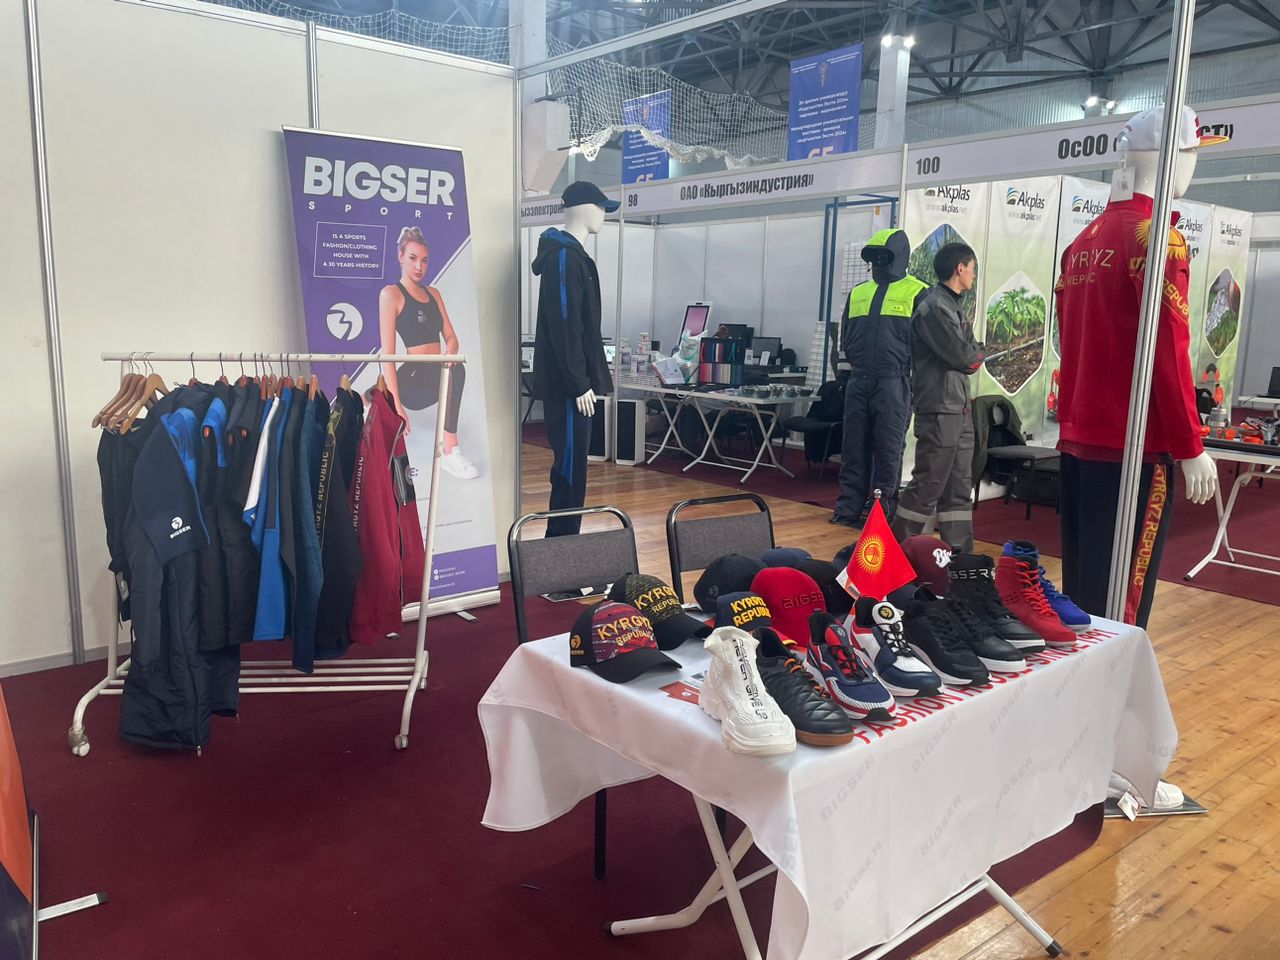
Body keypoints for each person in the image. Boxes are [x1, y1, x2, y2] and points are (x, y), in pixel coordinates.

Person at [830, 229, 930, 527]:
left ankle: (881, 514)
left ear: (899, 256)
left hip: (895, 381)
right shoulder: (858, 292)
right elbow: (846, 336)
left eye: (884, 255)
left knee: (888, 449)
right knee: (853, 448)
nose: (878, 261)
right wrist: (846, 374)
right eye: (874, 256)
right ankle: (847, 509)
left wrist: (917, 385)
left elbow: (926, 345)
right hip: (858, 379)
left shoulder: (918, 292)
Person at [891, 243, 985, 553]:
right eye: (972, 269)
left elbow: (968, 353)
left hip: (959, 408)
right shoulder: (933, 307)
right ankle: (894, 554)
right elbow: (965, 357)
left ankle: (960, 558)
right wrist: (978, 352)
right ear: (960, 268)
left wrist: (974, 352)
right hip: (939, 409)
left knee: (958, 486)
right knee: (929, 483)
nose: (973, 275)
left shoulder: (953, 306)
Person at [378, 226, 477, 479]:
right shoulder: (391, 294)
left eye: (424, 260)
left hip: (436, 372)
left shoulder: (434, 294)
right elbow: (387, 356)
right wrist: (397, 406)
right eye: (412, 258)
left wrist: (450, 352)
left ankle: (449, 449)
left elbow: (451, 337)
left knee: (456, 368)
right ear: (400, 256)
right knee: (378, 392)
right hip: (412, 377)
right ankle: (449, 449)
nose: (419, 266)